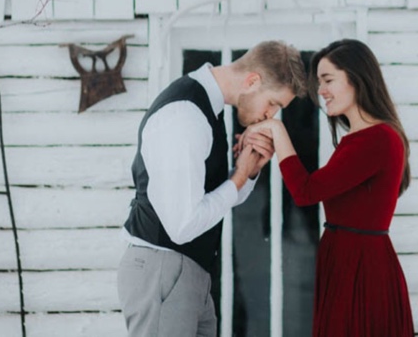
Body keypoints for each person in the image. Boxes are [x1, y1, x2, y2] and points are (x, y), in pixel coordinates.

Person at [117, 40, 307, 337]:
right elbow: (182, 225)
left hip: (187, 272)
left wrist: (249, 171)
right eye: (273, 103)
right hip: (164, 269)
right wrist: (238, 178)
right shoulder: (186, 115)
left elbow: (208, 202)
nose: (270, 115)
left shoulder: (208, 107)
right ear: (252, 80)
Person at [252, 38, 414, 337]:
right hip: (347, 259)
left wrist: (277, 129)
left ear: (357, 78)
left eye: (328, 80)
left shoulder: (377, 139)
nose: (321, 91)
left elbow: (306, 191)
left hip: (361, 266)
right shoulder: (359, 138)